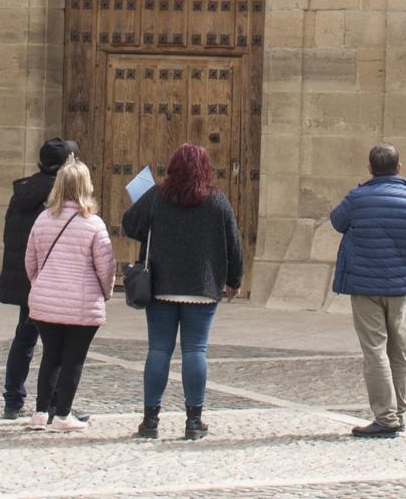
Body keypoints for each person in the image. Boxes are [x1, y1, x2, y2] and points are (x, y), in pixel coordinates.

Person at [122, 143, 243, 440]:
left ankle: (150, 421)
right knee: (195, 351)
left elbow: (130, 224)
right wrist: (235, 280)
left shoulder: (156, 196)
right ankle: (194, 420)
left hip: (162, 286)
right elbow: (233, 243)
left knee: (159, 350)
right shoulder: (217, 201)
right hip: (201, 288)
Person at [330, 143, 406, 439]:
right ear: (399, 168)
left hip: (364, 287)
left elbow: (336, 221)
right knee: (399, 352)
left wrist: (358, 192)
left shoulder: (358, 197)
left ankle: (386, 417)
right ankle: (399, 414)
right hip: (400, 288)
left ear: (370, 169)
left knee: (375, 351)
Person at [0, 137, 86, 421]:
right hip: (51, 280)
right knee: (56, 346)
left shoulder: (23, 190)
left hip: (26, 278)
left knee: (25, 337)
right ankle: (56, 405)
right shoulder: (57, 198)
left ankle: (13, 399)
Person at [25, 158, 115, 432]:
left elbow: (30, 261)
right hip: (81, 302)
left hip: (45, 302)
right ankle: (63, 415)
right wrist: (106, 292)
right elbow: (106, 266)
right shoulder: (94, 224)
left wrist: (41, 285)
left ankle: (41, 413)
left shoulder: (42, 219)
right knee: (73, 359)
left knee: (50, 356)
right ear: (85, 187)